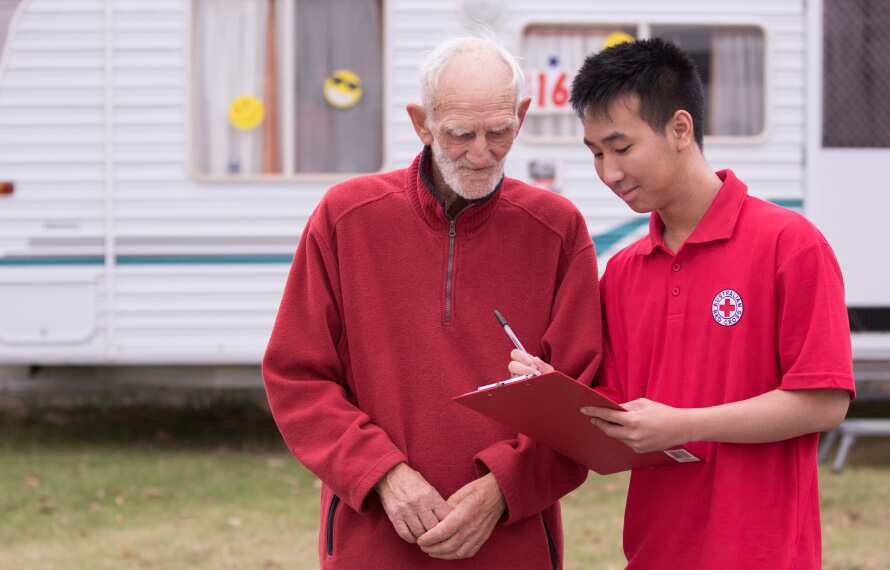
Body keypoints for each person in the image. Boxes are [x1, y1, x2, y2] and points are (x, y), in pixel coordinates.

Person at [510, 38, 854, 569]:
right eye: (596, 153)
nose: (609, 173)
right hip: (653, 553)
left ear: (679, 129)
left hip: (762, 554)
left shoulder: (790, 244)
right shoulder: (622, 272)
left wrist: (687, 424)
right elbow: (618, 411)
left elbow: (824, 402)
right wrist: (548, 391)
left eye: (621, 149)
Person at [262, 36, 603, 569]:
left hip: (512, 545)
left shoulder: (557, 229)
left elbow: (583, 394)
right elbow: (296, 376)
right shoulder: (346, 217)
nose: (482, 153)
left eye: (500, 132)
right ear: (421, 123)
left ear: (523, 115)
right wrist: (383, 475)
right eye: (460, 134)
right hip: (373, 541)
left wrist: (502, 489)